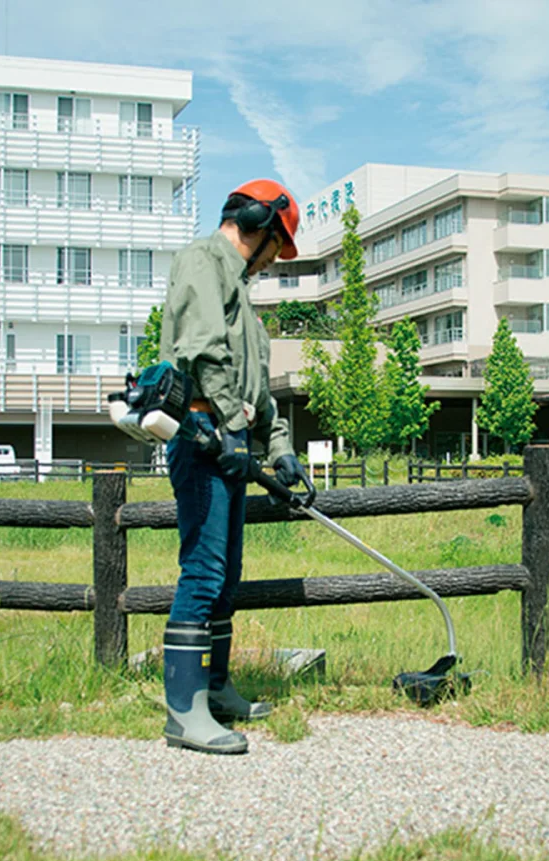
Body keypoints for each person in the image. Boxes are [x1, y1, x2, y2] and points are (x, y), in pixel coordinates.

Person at [159, 179, 315, 755]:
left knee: (227, 577)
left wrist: (280, 450)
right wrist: (228, 427)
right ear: (258, 222)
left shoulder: (244, 297)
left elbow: (258, 392)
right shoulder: (203, 261)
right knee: (202, 573)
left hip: (231, 443)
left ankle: (217, 688)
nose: (275, 259)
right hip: (202, 436)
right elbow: (204, 354)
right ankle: (184, 711)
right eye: (278, 245)